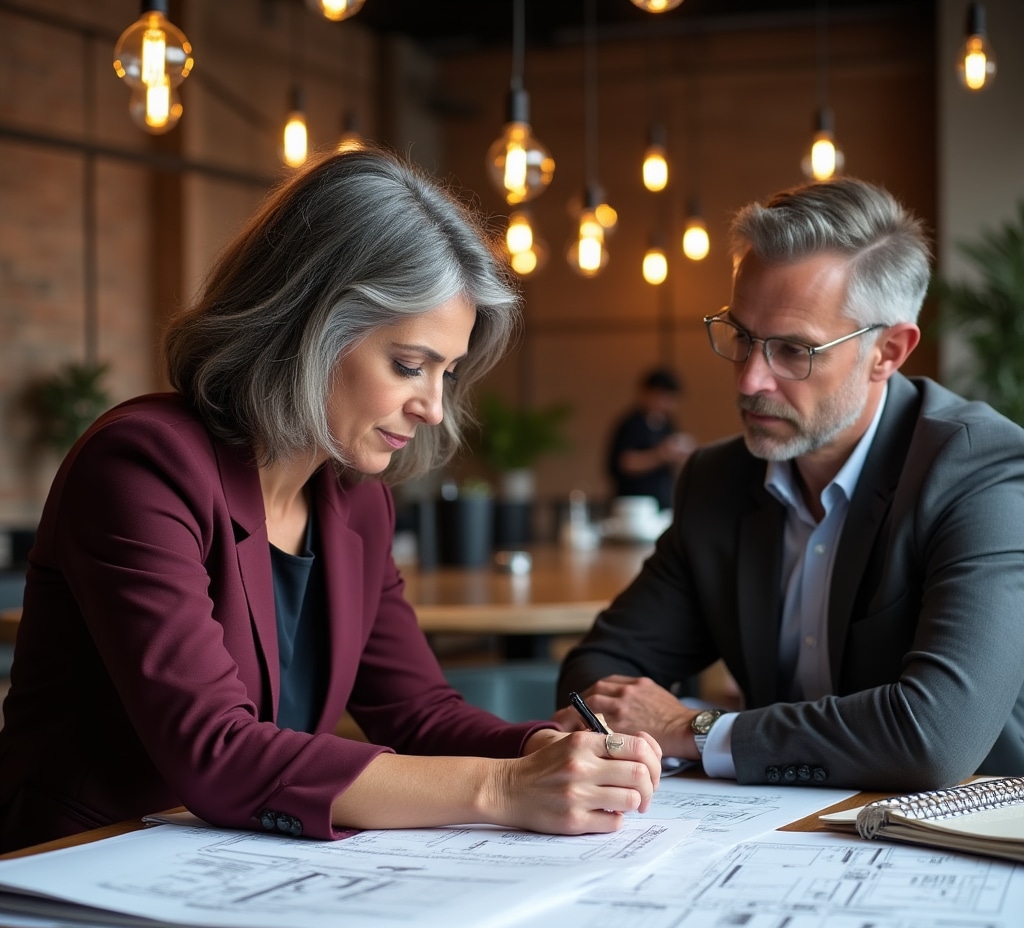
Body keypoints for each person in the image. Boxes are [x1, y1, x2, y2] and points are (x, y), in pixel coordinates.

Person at [0, 146, 661, 852]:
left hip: (234, 869)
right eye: (409, 365)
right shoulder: (142, 463)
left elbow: (417, 713)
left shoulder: (354, 502)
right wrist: (503, 789)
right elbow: (214, 751)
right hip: (77, 870)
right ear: (309, 329)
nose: (434, 408)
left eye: (447, 373)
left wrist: (542, 745)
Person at [556, 177, 1024, 792]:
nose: (750, 380)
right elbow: (599, 674)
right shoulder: (718, 480)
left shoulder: (978, 471)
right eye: (742, 337)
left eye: (793, 351)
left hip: (967, 847)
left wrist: (697, 729)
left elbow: (932, 739)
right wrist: (656, 731)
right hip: (776, 841)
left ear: (887, 351)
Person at [607, 368, 696, 511]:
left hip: (663, 501)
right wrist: (661, 454)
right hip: (634, 505)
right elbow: (624, 462)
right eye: (662, 396)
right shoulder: (631, 424)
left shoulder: (668, 425)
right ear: (647, 393)